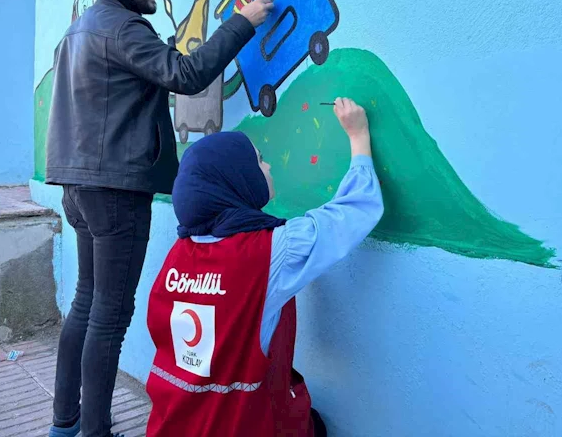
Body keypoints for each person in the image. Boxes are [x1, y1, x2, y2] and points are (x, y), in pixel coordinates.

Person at [46, 0, 274, 437]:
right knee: (108, 313)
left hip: (79, 186)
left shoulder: (80, 29)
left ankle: (66, 425)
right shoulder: (124, 29)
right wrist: (243, 22)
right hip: (116, 189)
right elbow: (188, 74)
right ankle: (95, 432)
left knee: (86, 303)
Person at [144, 97, 384, 436]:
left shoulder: (179, 253)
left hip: (175, 423)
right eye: (258, 160)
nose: (268, 166)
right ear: (234, 179)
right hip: (239, 425)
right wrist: (359, 137)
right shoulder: (271, 250)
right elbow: (352, 213)